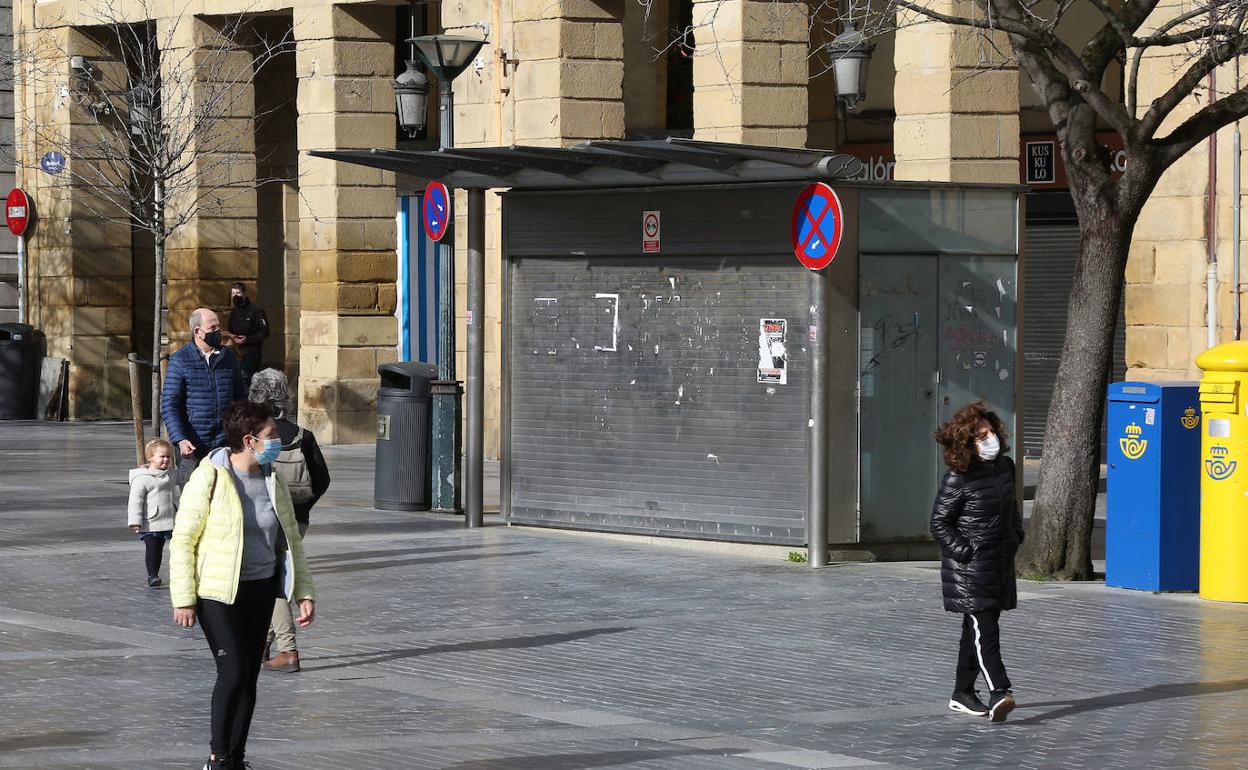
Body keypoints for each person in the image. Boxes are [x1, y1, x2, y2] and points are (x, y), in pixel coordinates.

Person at [171, 400, 315, 770]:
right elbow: (184, 539)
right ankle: (217, 757)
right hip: (217, 592)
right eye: (270, 436)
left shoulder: (272, 478)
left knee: (249, 674)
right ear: (249, 440)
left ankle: (236, 757)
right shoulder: (210, 476)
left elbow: (290, 539)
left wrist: (303, 592)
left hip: (261, 587)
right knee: (232, 670)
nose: (276, 442)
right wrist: (184, 599)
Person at [930, 400, 1024, 723]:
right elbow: (939, 522)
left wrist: (1015, 536)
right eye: (981, 435)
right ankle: (1000, 691)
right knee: (986, 631)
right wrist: (965, 551)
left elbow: (1011, 509)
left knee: (974, 631)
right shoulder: (959, 477)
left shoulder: (1005, 467)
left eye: (990, 431)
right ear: (967, 442)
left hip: (998, 562)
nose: (989, 438)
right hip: (970, 568)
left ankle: (962, 692)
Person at [248, 368, 331, 673]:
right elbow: (322, 479)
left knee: (273, 584)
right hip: (297, 518)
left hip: (263, 520)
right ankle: (261, 643)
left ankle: (288, 649)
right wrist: (302, 508)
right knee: (277, 574)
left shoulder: (253, 436)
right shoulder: (301, 435)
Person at [162, 308, 247, 464]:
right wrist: (180, 438)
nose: (217, 331)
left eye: (218, 327)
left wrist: (240, 431)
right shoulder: (180, 360)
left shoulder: (228, 357)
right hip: (193, 445)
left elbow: (241, 399)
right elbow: (170, 405)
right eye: (212, 328)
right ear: (197, 331)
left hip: (225, 443)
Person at [127, 438, 191, 587]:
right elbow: (135, 501)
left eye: (168, 456)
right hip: (151, 522)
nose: (166, 460)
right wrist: (135, 521)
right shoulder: (142, 478)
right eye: (162, 456)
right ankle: (152, 575)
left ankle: (181, 572)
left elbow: (184, 475)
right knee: (153, 549)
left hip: (169, 519)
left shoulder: (170, 474)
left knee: (175, 547)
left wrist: (187, 459)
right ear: (150, 458)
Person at [227, 283, 270, 386]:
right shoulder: (234, 312)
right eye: (233, 293)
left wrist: (248, 339)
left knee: (247, 380)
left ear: (244, 293)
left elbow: (264, 331)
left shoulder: (256, 311)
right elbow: (230, 329)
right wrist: (232, 337)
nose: (235, 296)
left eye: (238, 293)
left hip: (252, 353)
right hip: (236, 352)